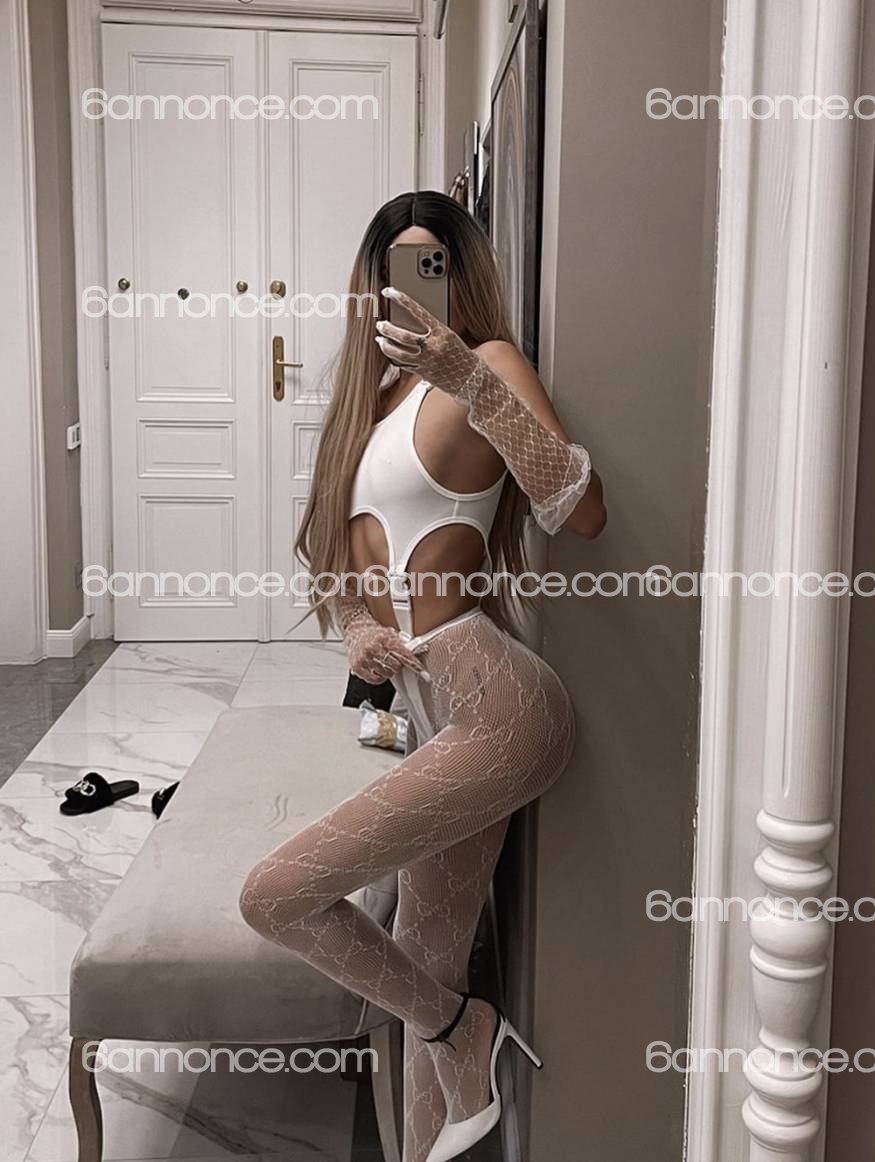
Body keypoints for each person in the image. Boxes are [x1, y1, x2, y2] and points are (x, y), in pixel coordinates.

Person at [239, 190, 605, 1162]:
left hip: (501, 706)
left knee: (274, 896)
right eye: (392, 267)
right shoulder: (375, 398)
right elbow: (348, 557)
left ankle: (464, 1028)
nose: (410, 285)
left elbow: (580, 511)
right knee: (421, 962)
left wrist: (470, 379)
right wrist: (360, 627)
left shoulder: (489, 365)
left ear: (459, 272)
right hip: (433, 706)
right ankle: (445, 1065)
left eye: (429, 264)